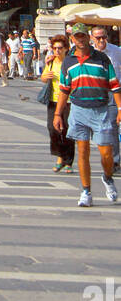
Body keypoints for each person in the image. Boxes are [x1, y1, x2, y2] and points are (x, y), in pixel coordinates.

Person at [54, 21, 121, 206]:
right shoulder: (68, 61)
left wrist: (120, 108)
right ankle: (86, 191)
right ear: (72, 39)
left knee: (106, 153)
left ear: (88, 37)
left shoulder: (101, 59)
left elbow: (114, 85)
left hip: (101, 109)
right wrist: (58, 114)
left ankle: (107, 178)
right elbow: (64, 89)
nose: (80, 39)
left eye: (83, 36)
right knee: (82, 151)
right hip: (78, 109)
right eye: (77, 37)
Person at [41, 33, 75, 173]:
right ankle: (59, 157)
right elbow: (43, 78)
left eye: (60, 48)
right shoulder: (50, 62)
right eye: (55, 48)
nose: (57, 51)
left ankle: (68, 161)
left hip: (68, 101)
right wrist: (45, 76)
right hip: (53, 100)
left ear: (66, 48)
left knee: (67, 131)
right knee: (53, 129)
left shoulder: (71, 62)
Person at [90, 27, 121, 169]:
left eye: (103, 37)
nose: (101, 40)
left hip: (114, 93)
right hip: (95, 93)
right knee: (99, 127)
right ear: (92, 38)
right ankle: (106, 156)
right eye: (98, 38)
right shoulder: (89, 53)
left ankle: (114, 161)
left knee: (112, 126)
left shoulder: (116, 51)